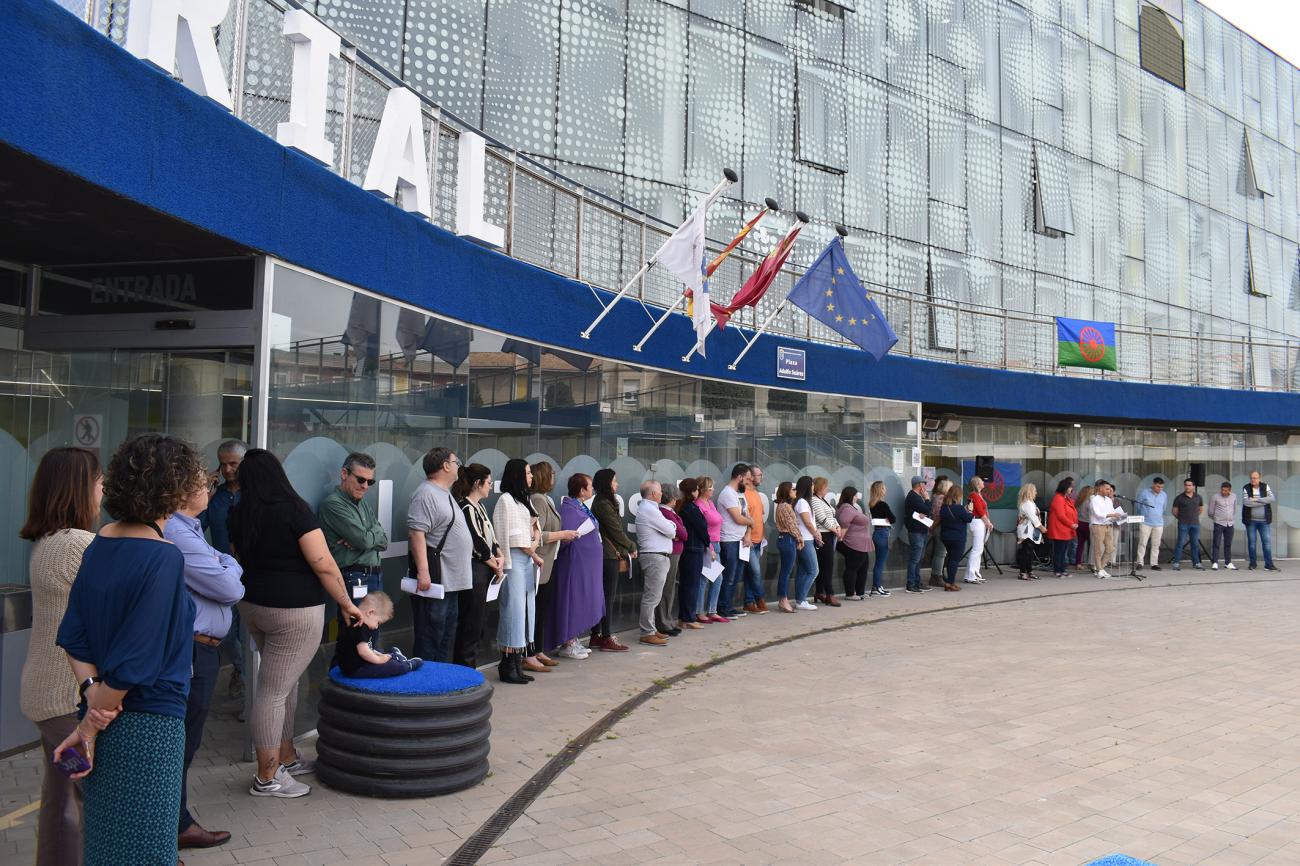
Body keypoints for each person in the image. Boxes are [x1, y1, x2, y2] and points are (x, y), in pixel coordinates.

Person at [53, 433, 200, 865]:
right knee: (147, 850)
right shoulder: (163, 557)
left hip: (99, 716)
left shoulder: (100, 542)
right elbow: (136, 662)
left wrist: (91, 698)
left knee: (105, 846)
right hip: (149, 729)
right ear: (172, 490)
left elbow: (73, 635)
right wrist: (96, 718)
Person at [230, 448, 362, 798]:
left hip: (253, 605)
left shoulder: (239, 512)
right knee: (274, 691)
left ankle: (285, 757)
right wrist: (346, 604)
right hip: (295, 612)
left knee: (284, 684)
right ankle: (267, 777)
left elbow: (238, 557)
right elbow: (323, 563)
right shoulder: (294, 510)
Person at [19, 447, 101, 866]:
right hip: (66, 701)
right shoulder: (79, 545)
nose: (103, 491)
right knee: (93, 795)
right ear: (79, 489)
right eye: (99, 483)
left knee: (60, 796)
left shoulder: (47, 543)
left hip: (44, 696)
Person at [165, 469, 245, 850]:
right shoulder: (178, 533)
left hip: (205, 648)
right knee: (180, 743)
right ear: (181, 492)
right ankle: (172, 826)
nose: (210, 490)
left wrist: (226, 564)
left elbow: (225, 563)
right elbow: (229, 584)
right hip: (193, 649)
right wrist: (228, 567)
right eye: (204, 484)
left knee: (188, 741)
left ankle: (174, 823)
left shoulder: (191, 528)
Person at [407, 447, 474, 664]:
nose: (458, 467)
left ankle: (439, 686)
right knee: (431, 636)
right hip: (436, 582)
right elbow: (417, 533)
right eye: (456, 462)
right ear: (445, 465)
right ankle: (425, 688)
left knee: (444, 637)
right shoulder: (426, 493)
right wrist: (423, 572)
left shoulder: (444, 493)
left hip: (451, 582)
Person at [318, 452, 388, 633]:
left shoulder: (362, 502)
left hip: (373, 576)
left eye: (369, 482)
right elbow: (364, 540)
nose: (365, 486)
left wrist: (365, 539)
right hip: (354, 577)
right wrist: (367, 539)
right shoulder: (333, 504)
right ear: (344, 474)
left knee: (370, 635)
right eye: (360, 480)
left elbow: (384, 540)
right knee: (357, 637)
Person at [200, 439, 245, 699]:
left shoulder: (253, 495)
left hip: (250, 573)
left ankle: (247, 686)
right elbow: (194, 526)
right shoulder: (217, 498)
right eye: (223, 464)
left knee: (246, 633)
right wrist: (205, 495)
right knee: (227, 634)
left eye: (233, 464)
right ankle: (241, 670)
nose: (228, 470)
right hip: (222, 577)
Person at [493, 459, 544, 682]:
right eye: (527, 472)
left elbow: (535, 531)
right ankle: (507, 664)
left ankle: (517, 662)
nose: (531, 476)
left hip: (526, 561)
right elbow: (514, 537)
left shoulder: (523, 501)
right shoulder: (506, 500)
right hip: (514, 563)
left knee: (525, 612)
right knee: (513, 612)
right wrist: (533, 551)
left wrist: (533, 548)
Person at [548, 473, 607, 655]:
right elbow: (568, 536)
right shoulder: (569, 509)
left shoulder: (580, 507)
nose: (592, 490)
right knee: (573, 601)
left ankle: (574, 639)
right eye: (590, 487)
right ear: (582, 491)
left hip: (585, 567)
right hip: (574, 566)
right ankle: (568, 642)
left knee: (582, 601)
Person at [452, 463, 504, 668]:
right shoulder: (465, 507)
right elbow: (477, 542)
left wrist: (499, 555)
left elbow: (490, 537)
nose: (490, 486)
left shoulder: (479, 507)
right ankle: (465, 669)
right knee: (471, 623)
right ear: (477, 483)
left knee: (478, 622)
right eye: (488, 482)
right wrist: (495, 563)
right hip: (475, 570)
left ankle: (469, 667)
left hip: (484, 569)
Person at [530, 461, 577, 667]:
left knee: (542, 610)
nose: (553, 478)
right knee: (537, 609)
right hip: (540, 562)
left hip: (549, 562)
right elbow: (536, 535)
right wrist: (562, 534)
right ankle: (531, 651)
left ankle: (538, 649)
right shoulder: (538, 500)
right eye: (551, 474)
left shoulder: (545, 499)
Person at [590, 469, 633, 650]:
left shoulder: (606, 502)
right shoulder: (602, 504)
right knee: (608, 596)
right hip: (607, 555)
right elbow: (615, 530)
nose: (617, 484)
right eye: (614, 481)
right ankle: (605, 636)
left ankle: (598, 635)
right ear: (606, 483)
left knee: (606, 596)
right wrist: (631, 546)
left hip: (609, 553)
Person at [332, 592, 422, 678]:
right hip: (357, 669)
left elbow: (364, 648)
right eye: (378, 622)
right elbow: (363, 652)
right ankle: (406, 664)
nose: (376, 627)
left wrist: (377, 654)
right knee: (394, 667)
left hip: (348, 666)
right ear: (370, 613)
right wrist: (379, 660)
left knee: (379, 651)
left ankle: (394, 656)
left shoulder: (351, 622)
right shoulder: (361, 627)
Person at [634, 480, 677, 646]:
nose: (662, 494)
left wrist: (670, 526)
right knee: (652, 596)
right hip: (654, 557)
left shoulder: (651, 509)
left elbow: (669, 529)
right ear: (653, 494)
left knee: (655, 595)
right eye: (659, 491)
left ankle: (650, 629)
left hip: (658, 556)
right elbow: (671, 531)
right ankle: (646, 632)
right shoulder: (649, 510)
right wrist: (671, 525)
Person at [716, 464, 755, 619]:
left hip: (740, 540)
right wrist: (750, 523)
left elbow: (748, 517)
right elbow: (739, 518)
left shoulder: (740, 495)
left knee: (736, 576)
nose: (747, 483)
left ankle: (729, 605)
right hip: (729, 540)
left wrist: (748, 533)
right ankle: (723, 607)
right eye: (746, 479)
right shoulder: (727, 494)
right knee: (729, 576)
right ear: (739, 477)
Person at [677, 478, 711, 626]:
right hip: (693, 548)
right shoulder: (690, 508)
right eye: (696, 489)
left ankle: (684, 616)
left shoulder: (682, 506)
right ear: (692, 492)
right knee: (692, 584)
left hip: (687, 549)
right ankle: (689, 617)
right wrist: (708, 543)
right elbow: (702, 528)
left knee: (686, 583)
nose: (698, 492)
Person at [656, 482, 687, 636]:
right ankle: (663, 622)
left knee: (670, 587)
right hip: (671, 552)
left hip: (675, 551)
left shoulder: (670, 512)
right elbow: (683, 533)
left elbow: (681, 532)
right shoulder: (665, 512)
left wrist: (679, 533)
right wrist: (678, 533)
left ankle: (667, 620)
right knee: (666, 588)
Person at [694, 477, 726, 622]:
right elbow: (702, 528)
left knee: (717, 578)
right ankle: (700, 611)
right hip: (708, 545)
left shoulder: (710, 503)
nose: (713, 490)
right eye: (710, 488)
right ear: (702, 490)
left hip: (716, 543)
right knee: (704, 579)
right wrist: (710, 547)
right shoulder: (699, 505)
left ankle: (712, 610)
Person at [836, 486, 875, 600]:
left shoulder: (850, 508)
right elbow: (844, 523)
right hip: (853, 543)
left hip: (860, 543)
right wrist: (840, 538)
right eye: (855, 495)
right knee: (852, 568)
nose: (857, 497)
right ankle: (850, 594)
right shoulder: (847, 508)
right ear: (851, 496)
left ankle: (860, 592)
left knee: (863, 567)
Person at [810, 476, 843, 606]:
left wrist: (838, 526)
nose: (827, 489)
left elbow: (832, 515)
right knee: (827, 566)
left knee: (824, 565)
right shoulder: (814, 500)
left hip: (830, 534)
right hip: (823, 535)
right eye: (825, 487)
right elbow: (822, 518)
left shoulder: (823, 500)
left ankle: (819, 592)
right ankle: (830, 594)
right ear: (820, 487)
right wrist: (834, 529)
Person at [741, 465, 769, 614]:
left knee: (750, 573)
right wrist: (748, 535)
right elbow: (744, 516)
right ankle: (760, 599)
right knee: (755, 572)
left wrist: (762, 536)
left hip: (758, 540)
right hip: (748, 541)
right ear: (751, 476)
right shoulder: (743, 493)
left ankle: (749, 601)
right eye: (759, 474)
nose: (761, 477)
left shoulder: (756, 493)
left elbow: (759, 517)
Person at [791, 476, 821, 610]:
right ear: (808, 487)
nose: (814, 487)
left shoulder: (803, 501)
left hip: (806, 539)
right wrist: (816, 533)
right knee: (814, 570)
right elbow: (807, 522)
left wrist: (815, 533)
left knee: (803, 571)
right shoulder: (802, 502)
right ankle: (802, 599)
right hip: (805, 540)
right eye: (813, 485)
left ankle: (800, 600)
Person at [772, 481, 801, 613]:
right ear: (787, 491)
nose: (795, 491)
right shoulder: (784, 506)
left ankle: (782, 599)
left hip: (788, 539)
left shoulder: (785, 506)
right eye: (793, 489)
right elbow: (791, 525)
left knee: (786, 571)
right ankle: (783, 599)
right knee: (786, 571)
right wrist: (800, 538)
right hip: (787, 538)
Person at [938, 484, 973, 590]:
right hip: (957, 538)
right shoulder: (959, 509)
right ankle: (950, 583)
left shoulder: (944, 508)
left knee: (950, 558)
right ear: (958, 496)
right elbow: (968, 518)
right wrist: (970, 510)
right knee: (954, 560)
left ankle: (949, 581)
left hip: (945, 537)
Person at [1242, 471, 1278, 571]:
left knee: (1267, 543)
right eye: (1251, 478)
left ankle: (1268, 565)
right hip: (1251, 521)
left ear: (1259, 478)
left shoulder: (1265, 487)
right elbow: (1246, 503)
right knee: (1252, 543)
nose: (1253, 480)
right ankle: (1253, 564)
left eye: (1255, 478)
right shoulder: (1246, 487)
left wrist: (1255, 499)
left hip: (1264, 521)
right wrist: (1263, 501)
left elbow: (1272, 498)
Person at [1088, 481, 1124, 579]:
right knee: (1098, 549)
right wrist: (1112, 515)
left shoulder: (1108, 500)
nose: (1109, 491)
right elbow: (1097, 514)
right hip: (1098, 526)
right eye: (1107, 489)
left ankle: (1100, 568)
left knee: (1110, 548)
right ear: (1100, 489)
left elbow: (1112, 511)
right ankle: (1099, 569)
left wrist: (1119, 516)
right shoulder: (1094, 499)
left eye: (1110, 489)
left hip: (1109, 525)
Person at [868, 480, 899, 596]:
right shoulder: (883, 505)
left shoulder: (872, 504)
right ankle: (876, 587)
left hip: (877, 533)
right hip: (883, 533)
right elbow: (893, 519)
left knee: (878, 562)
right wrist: (888, 518)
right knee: (880, 563)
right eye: (884, 488)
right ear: (880, 490)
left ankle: (876, 586)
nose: (885, 490)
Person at [903, 475, 931, 593]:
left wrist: (924, 507)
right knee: (915, 558)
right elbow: (927, 509)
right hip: (916, 531)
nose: (925, 486)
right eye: (924, 483)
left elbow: (924, 511)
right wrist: (927, 499)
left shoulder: (916, 497)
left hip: (921, 530)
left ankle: (917, 582)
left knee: (919, 558)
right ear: (919, 485)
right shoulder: (913, 497)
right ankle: (911, 584)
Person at [1046, 478, 1078, 579]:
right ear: (1065, 487)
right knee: (1059, 551)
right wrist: (1071, 524)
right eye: (1070, 487)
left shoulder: (1065, 498)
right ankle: (1057, 570)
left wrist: (1072, 524)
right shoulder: (1058, 498)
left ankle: (1062, 570)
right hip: (1060, 529)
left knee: (1063, 551)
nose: (1071, 489)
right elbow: (1061, 515)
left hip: (1065, 529)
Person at [1171, 477, 1205, 571]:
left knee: (1195, 544)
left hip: (1195, 524)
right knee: (1180, 543)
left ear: (1193, 486)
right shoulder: (1179, 498)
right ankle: (1176, 563)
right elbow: (1174, 511)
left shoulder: (1198, 497)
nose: (1187, 487)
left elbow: (1201, 509)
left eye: (1189, 485)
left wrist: (1193, 516)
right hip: (1183, 524)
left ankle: (1196, 563)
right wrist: (1182, 518)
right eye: (1186, 485)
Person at [1134, 477, 1167, 571]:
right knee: (1142, 543)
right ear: (1153, 484)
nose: (1159, 489)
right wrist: (1143, 515)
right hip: (1146, 522)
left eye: (1161, 487)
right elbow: (1138, 505)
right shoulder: (1144, 492)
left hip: (1159, 523)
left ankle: (1154, 563)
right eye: (1158, 486)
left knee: (1156, 544)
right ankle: (1140, 562)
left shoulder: (1164, 495)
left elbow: (1164, 508)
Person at [1015, 483, 1044, 581]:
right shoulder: (1027, 503)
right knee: (1026, 551)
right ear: (1030, 492)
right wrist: (1041, 527)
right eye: (1034, 490)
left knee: (1030, 552)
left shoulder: (1030, 503)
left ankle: (1029, 570)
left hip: (1030, 530)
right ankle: (1023, 572)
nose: (1036, 492)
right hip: (1026, 531)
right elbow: (1033, 517)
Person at [965, 476, 991, 584]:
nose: (983, 483)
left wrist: (987, 522)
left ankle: (975, 573)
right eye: (981, 482)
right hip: (977, 521)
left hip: (980, 521)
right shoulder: (974, 495)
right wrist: (988, 522)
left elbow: (982, 511)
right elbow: (980, 511)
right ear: (977, 484)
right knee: (976, 549)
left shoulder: (978, 495)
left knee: (979, 549)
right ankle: (971, 575)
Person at [1208, 481, 1237, 571]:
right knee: (1216, 543)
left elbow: (1234, 509)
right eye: (1222, 490)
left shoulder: (1234, 496)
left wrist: (1230, 517)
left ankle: (1228, 562)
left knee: (1228, 543)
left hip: (1230, 523)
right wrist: (1217, 519)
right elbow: (1210, 512)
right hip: (1219, 523)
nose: (1223, 492)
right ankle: (1215, 562)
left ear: (1229, 490)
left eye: (1226, 490)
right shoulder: (1215, 497)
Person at [928, 477, 951, 587]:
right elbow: (938, 516)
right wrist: (933, 527)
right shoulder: (941, 498)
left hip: (937, 527)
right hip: (940, 527)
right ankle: (936, 576)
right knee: (940, 553)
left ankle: (937, 575)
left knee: (940, 553)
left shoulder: (936, 497)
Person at [1073, 484, 1094, 570]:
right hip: (1087, 524)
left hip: (1079, 523)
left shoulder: (1078, 501)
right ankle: (1091, 563)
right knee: (1091, 545)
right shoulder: (1090, 502)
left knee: (1080, 544)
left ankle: (1078, 563)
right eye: (1092, 492)